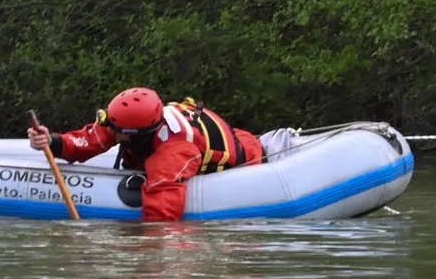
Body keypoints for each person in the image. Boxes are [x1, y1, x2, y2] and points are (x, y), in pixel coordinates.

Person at [27, 86, 263, 221]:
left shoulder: (172, 153)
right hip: (227, 135)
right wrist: (52, 141)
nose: (112, 133)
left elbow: (161, 217)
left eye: (118, 132)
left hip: (246, 157)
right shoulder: (129, 123)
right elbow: (90, 140)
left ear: (138, 134)